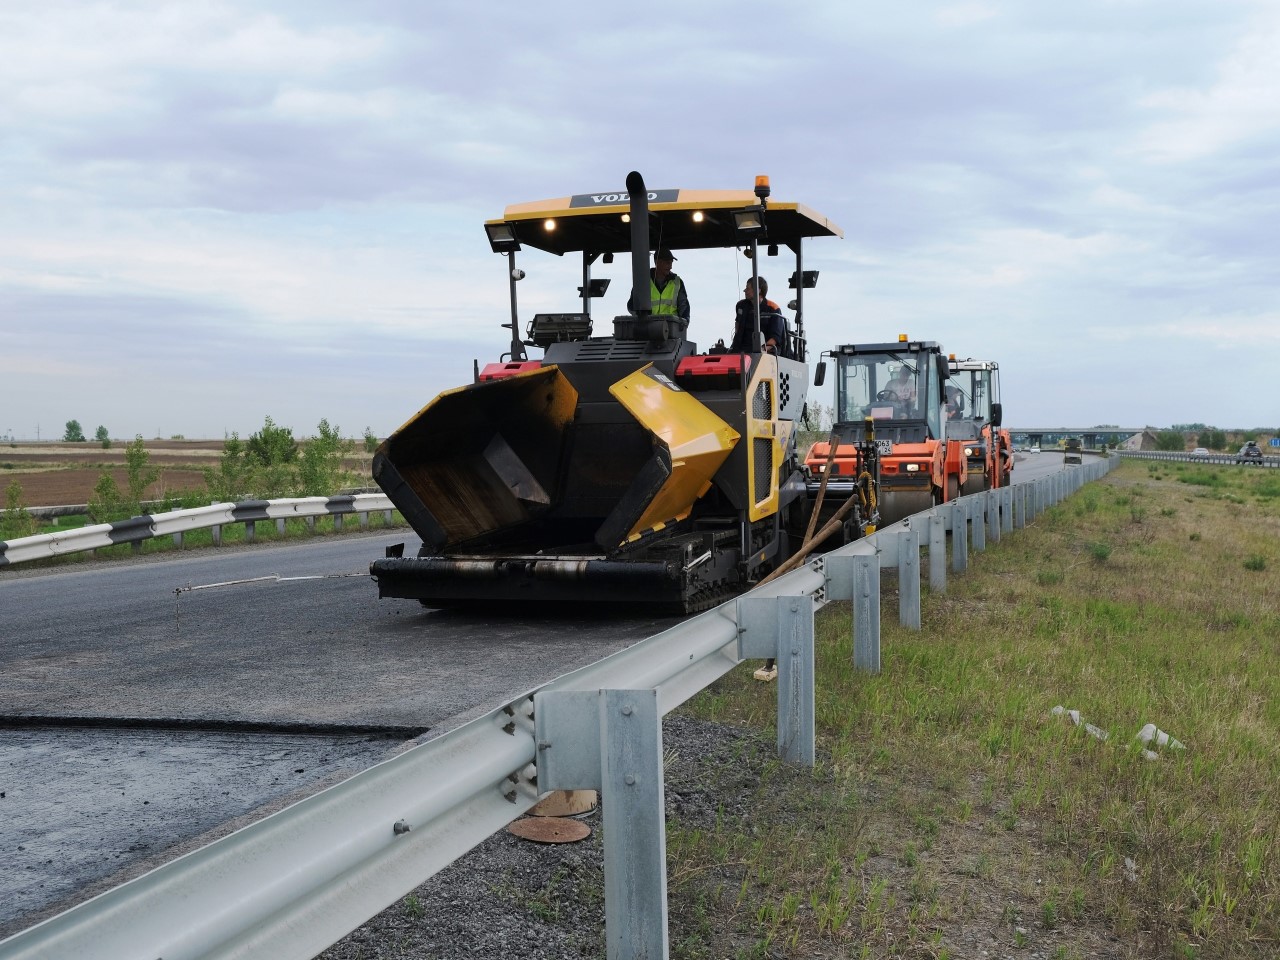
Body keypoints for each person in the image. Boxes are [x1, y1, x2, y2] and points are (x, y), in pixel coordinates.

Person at [728, 277, 787, 355]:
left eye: (748, 288)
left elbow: (775, 338)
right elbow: (738, 324)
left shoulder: (773, 308)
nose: (745, 290)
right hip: (741, 349)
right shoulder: (740, 305)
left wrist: (762, 349)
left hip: (766, 352)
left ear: (758, 290)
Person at [628, 248, 689, 321]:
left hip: (671, 329)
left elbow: (684, 307)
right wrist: (641, 319)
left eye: (671, 263)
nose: (670, 267)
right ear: (657, 262)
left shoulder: (677, 282)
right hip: (648, 329)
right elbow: (631, 305)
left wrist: (684, 323)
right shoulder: (643, 281)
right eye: (667, 263)